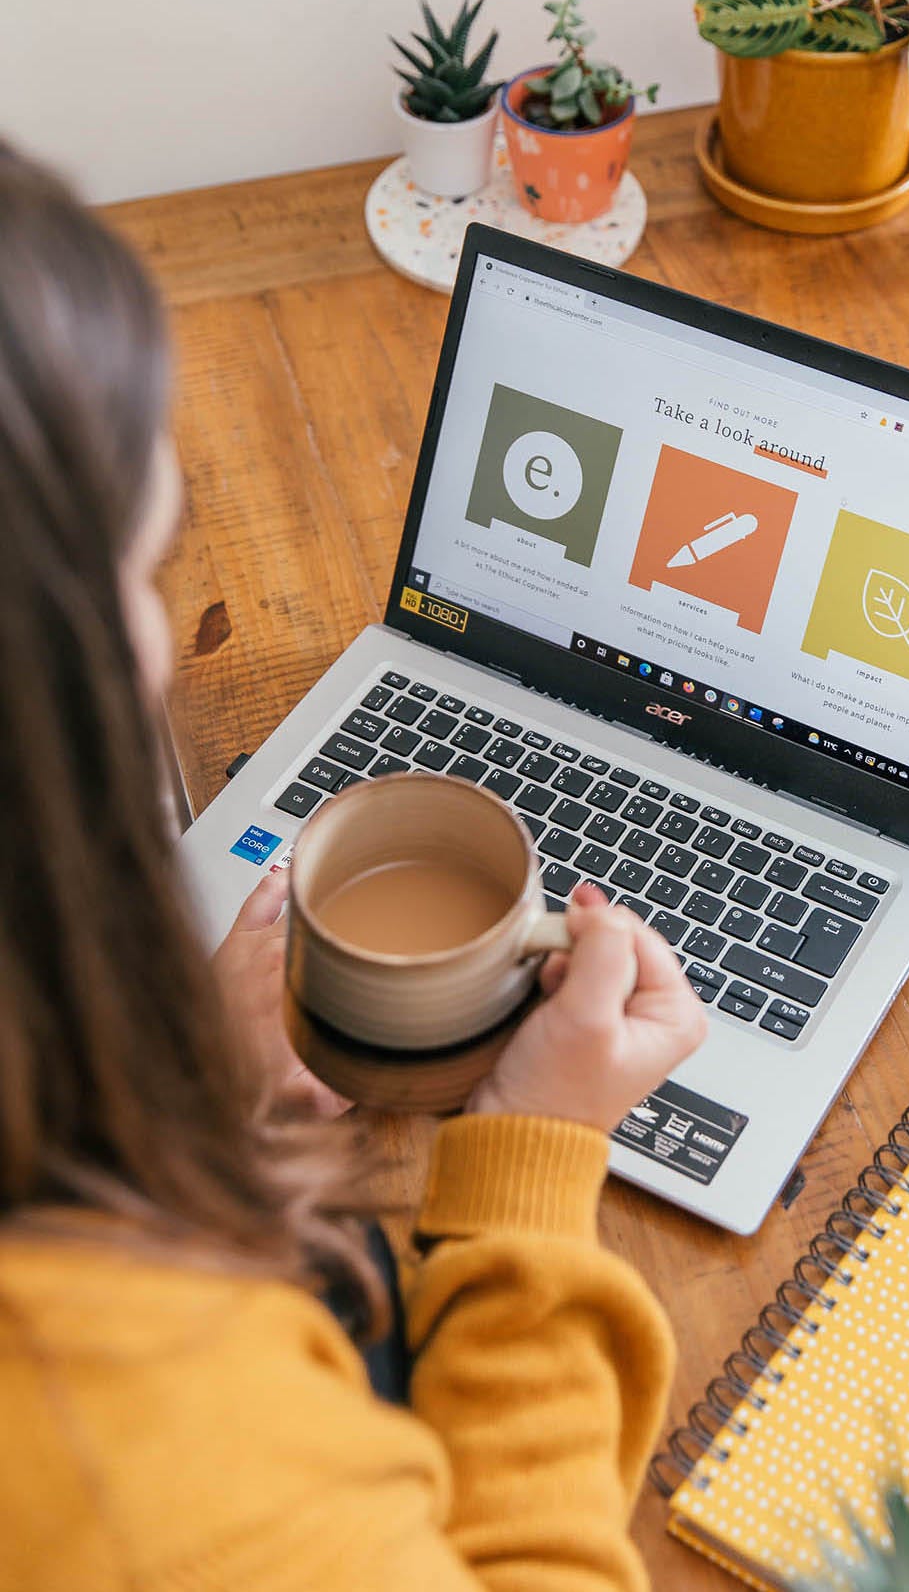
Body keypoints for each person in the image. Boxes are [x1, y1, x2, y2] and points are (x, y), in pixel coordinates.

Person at [0, 142, 707, 1590]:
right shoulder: (142, 1451)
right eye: (142, 570)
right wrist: (536, 1155)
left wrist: (171, 1080)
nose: (157, 633)